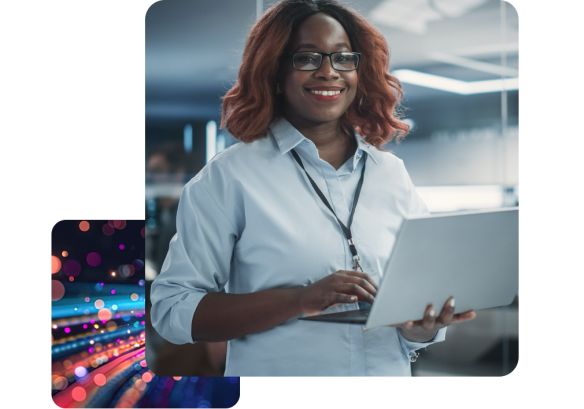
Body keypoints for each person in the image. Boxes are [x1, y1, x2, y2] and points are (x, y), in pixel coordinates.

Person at [150, 0, 476, 377]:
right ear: (275, 70)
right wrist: (299, 299)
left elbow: (417, 301)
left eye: (342, 58)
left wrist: (422, 328)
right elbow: (173, 311)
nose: (328, 72)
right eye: (307, 58)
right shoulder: (229, 177)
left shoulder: (391, 174)